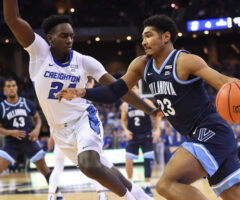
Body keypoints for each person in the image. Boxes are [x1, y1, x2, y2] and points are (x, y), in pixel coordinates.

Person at [57, 14, 240, 200]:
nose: (144, 41)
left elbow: (221, 81)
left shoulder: (185, 61)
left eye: (148, 36)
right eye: (143, 37)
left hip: (211, 131)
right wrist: (83, 92)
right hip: (202, 136)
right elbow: (115, 91)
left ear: (166, 36)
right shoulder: (141, 64)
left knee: (166, 185)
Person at [3, 1, 156, 199]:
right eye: (64, 36)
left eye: (72, 36)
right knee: (104, 168)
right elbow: (13, 20)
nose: (69, 40)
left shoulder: (84, 61)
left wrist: (148, 109)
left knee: (89, 165)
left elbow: (118, 89)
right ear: (50, 38)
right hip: (58, 130)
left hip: (84, 120)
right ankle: (144, 197)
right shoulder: (40, 53)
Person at [0, 79, 51, 189]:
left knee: (45, 169)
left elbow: (38, 119)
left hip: (29, 140)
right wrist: (10, 132)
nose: (11, 88)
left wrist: (37, 130)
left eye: (13, 85)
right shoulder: (2, 107)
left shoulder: (27, 103)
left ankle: (57, 195)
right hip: (11, 142)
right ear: (5, 89)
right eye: (8, 86)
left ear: (16, 87)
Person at [121, 85, 161, 197]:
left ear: (139, 90)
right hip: (133, 136)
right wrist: (125, 131)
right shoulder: (125, 105)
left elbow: (157, 115)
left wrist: (157, 130)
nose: (132, 90)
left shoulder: (146, 102)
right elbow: (123, 121)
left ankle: (147, 186)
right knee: (128, 160)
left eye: (134, 88)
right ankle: (131, 185)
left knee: (147, 160)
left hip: (146, 135)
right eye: (130, 89)